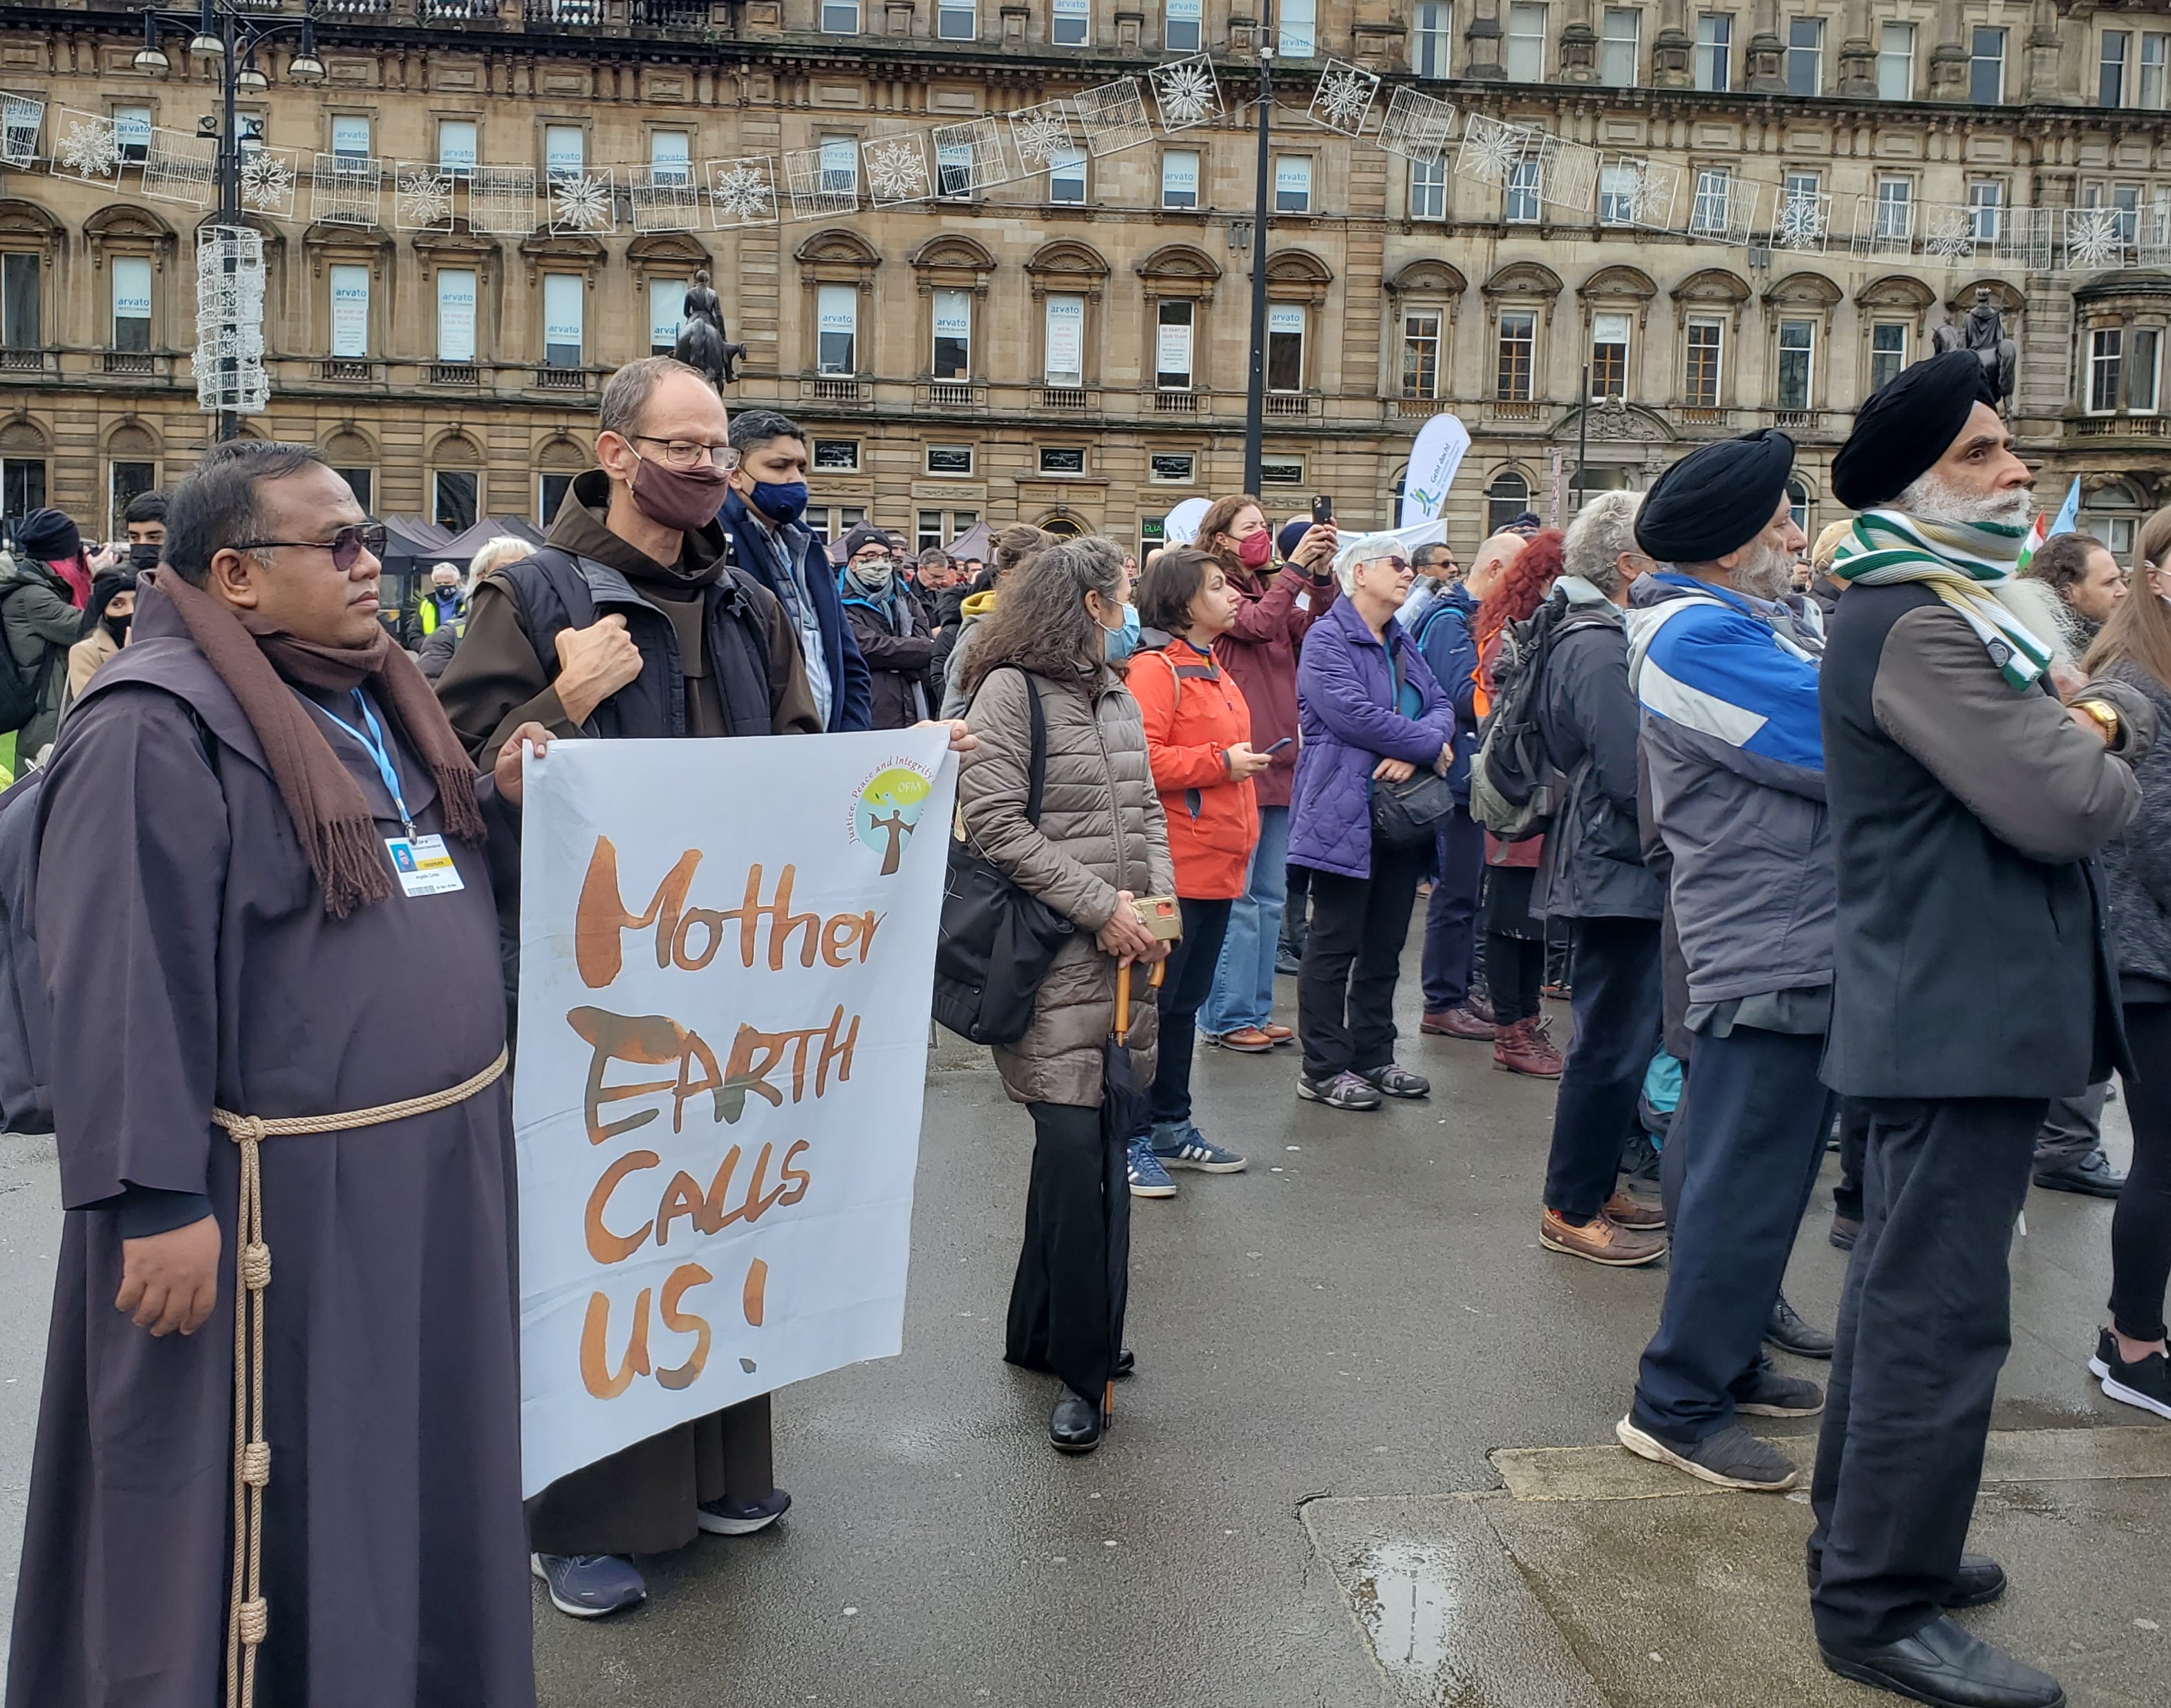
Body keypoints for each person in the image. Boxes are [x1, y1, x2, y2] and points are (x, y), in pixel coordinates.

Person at [9, 440, 545, 1708]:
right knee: (286, 1494)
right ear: (235, 575)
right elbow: (117, 975)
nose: (376, 565)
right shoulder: (151, 728)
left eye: (368, 538)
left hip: (426, 1172)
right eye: (342, 544)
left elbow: (437, 882)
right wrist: (150, 1200)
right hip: (267, 1206)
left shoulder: (383, 692)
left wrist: (506, 804)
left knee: (411, 1476)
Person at [436, 355, 819, 1620]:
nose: (712, 470)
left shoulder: (752, 596)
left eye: (722, 451)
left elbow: (805, 761)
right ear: (612, 452)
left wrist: (912, 775)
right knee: (605, 1234)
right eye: (688, 447)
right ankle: (582, 1517)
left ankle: (718, 1468)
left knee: (713, 1219)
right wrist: (563, 697)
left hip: (730, 983)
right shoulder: (533, 591)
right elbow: (459, 774)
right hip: (590, 989)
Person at [1809, 350, 2158, 1708]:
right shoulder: (1919, 620)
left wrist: (2078, 721)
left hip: (1956, 1009)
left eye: (2009, 448)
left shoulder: (1953, 608)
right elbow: (2066, 799)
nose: (2014, 468)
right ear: (1912, 485)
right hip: (1949, 1013)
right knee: (1937, 1315)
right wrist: (2113, 726)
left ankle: (1871, 1544)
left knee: (1909, 1299)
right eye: (1980, 453)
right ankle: (1874, 1602)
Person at [1612, 431, 1840, 1492]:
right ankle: (1678, 1400)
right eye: (1782, 524)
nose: (1798, 540)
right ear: (1728, 545)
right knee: (1742, 1177)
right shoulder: (1696, 635)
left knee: (1761, 1172)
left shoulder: (1728, 619)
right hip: (1766, 935)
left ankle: (1732, 1357)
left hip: (1785, 931)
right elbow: (1840, 743)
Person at [956, 541, 1172, 1454]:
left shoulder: (1116, 688)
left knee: (1078, 1148)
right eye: (1120, 595)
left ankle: (1037, 1333)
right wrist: (1102, 907)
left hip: (1124, 955)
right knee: (1087, 1163)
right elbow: (996, 821)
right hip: (1052, 956)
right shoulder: (1010, 689)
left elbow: (1147, 809)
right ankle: (1087, 1372)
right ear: (1091, 602)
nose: (1129, 608)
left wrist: (1156, 909)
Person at [1531, 491, 1671, 1266]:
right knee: (1607, 1045)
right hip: (1612, 865)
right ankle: (1570, 1204)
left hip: (1616, 862)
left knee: (1619, 1038)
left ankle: (1596, 1181)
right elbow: (1628, 770)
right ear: (1626, 564)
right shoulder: (1593, 641)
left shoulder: (1599, 631)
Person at [1289, 533, 1454, 1110]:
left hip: (1400, 815)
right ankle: (1322, 1065)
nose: (1408, 573)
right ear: (1359, 573)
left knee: (1386, 942)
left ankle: (1373, 1053)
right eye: (1396, 564)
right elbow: (1352, 716)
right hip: (1343, 810)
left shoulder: (1402, 636)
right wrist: (1429, 743)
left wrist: (1418, 748)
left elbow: (1441, 704)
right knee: (1335, 942)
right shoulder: (1326, 638)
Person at [1122, 545, 1265, 1196]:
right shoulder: (1155, 669)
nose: (1235, 593)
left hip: (1218, 865)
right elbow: (1139, 760)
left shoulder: (1213, 665)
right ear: (1183, 604)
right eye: (1217, 586)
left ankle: (1171, 1126)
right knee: (1150, 1010)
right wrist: (1220, 763)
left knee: (1181, 1008)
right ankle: (1131, 1136)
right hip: (1178, 866)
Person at [1194, 494, 1339, 1053]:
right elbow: (1254, 625)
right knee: (1243, 898)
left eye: (1267, 526)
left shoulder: (1268, 587)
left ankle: (1252, 1009)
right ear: (1223, 538)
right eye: (1252, 527)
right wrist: (1297, 569)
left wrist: (1322, 577)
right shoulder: (1217, 589)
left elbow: (1317, 630)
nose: (1263, 535)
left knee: (1271, 896)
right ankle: (1228, 1014)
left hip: (1280, 755)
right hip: (1240, 758)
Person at [2080, 565, 2171, 1419]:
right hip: (2147, 957)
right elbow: (2151, 830)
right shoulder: (2132, 683)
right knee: (2164, 1156)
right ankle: (2130, 1340)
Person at [1417, 531, 1522, 1040]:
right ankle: (1442, 1000)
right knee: (1455, 892)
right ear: (1498, 568)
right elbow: (1462, 693)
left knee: (1468, 893)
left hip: (1469, 773)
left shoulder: (1470, 618)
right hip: (1454, 774)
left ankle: (1457, 990)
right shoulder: (1449, 620)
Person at [1473, 530, 1567, 1076]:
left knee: (1533, 918)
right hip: (1518, 787)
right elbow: (1498, 707)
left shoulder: (1536, 631)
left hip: (1539, 788)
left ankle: (1524, 1021)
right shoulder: (1513, 636)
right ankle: (1512, 1029)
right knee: (1512, 915)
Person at [717, 408, 873, 733]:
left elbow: (847, 658)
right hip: (765, 752)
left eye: (801, 467)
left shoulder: (809, 547)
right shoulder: (714, 543)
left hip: (830, 748)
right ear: (734, 472)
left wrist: (852, 738)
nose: (796, 480)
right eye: (779, 466)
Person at [2, 508, 97, 761]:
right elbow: (87, 630)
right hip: (45, 721)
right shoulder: (33, 596)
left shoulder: (44, 586)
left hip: (52, 712)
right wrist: (101, 580)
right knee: (39, 796)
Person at [940, 524, 1052, 717]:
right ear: (1008, 577)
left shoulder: (1057, 624)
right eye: (1040, 575)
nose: (1052, 582)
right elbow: (953, 712)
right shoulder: (982, 630)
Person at [839, 523, 938, 729]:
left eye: (885, 556)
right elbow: (865, 648)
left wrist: (906, 652)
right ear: (853, 563)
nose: (880, 563)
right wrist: (913, 651)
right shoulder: (838, 601)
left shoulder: (905, 596)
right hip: (866, 706)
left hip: (911, 703)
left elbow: (924, 643)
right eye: (870, 556)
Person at [419, 536, 532, 683]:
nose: (518, 578)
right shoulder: (448, 638)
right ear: (481, 578)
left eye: (527, 571)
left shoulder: (548, 635)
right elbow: (425, 698)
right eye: (506, 570)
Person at [64, 570, 136, 700]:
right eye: (117, 604)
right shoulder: (86, 652)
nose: (131, 611)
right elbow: (91, 708)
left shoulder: (156, 644)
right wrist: (129, 659)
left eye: (136, 602)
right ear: (104, 613)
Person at [409, 561, 468, 649]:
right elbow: (413, 635)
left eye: (447, 583)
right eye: (439, 583)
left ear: (458, 582)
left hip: (460, 656)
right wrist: (429, 645)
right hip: (432, 657)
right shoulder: (425, 605)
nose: (442, 586)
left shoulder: (468, 603)